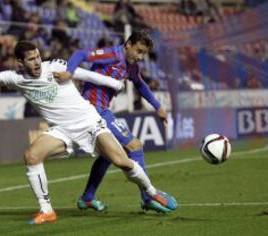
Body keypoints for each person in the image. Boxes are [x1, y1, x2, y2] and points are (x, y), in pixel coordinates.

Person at [0, 41, 177, 225]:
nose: (37, 62)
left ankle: (153, 193)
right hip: (63, 131)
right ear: (21, 62)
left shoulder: (56, 67)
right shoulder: (16, 79)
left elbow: (85, 73)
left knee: (122, 162)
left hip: (90, 123)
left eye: (38, 56)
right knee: (31, 156)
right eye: (31, 59)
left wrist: (113, 84)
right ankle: (46, 210)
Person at [54, 31, 177, 213]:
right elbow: (81, 54)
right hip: (93, 108)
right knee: (135, 146)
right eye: (139, 51)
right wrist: (68, 73)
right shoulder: (112, 54)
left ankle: (87, 198)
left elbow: (140, 84)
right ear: (128, 44)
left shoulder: (130, 66)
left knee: (107, 155)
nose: (140, 57)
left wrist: (158, 107)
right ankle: (147, 197)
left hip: (101, 110)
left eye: (143, 53)